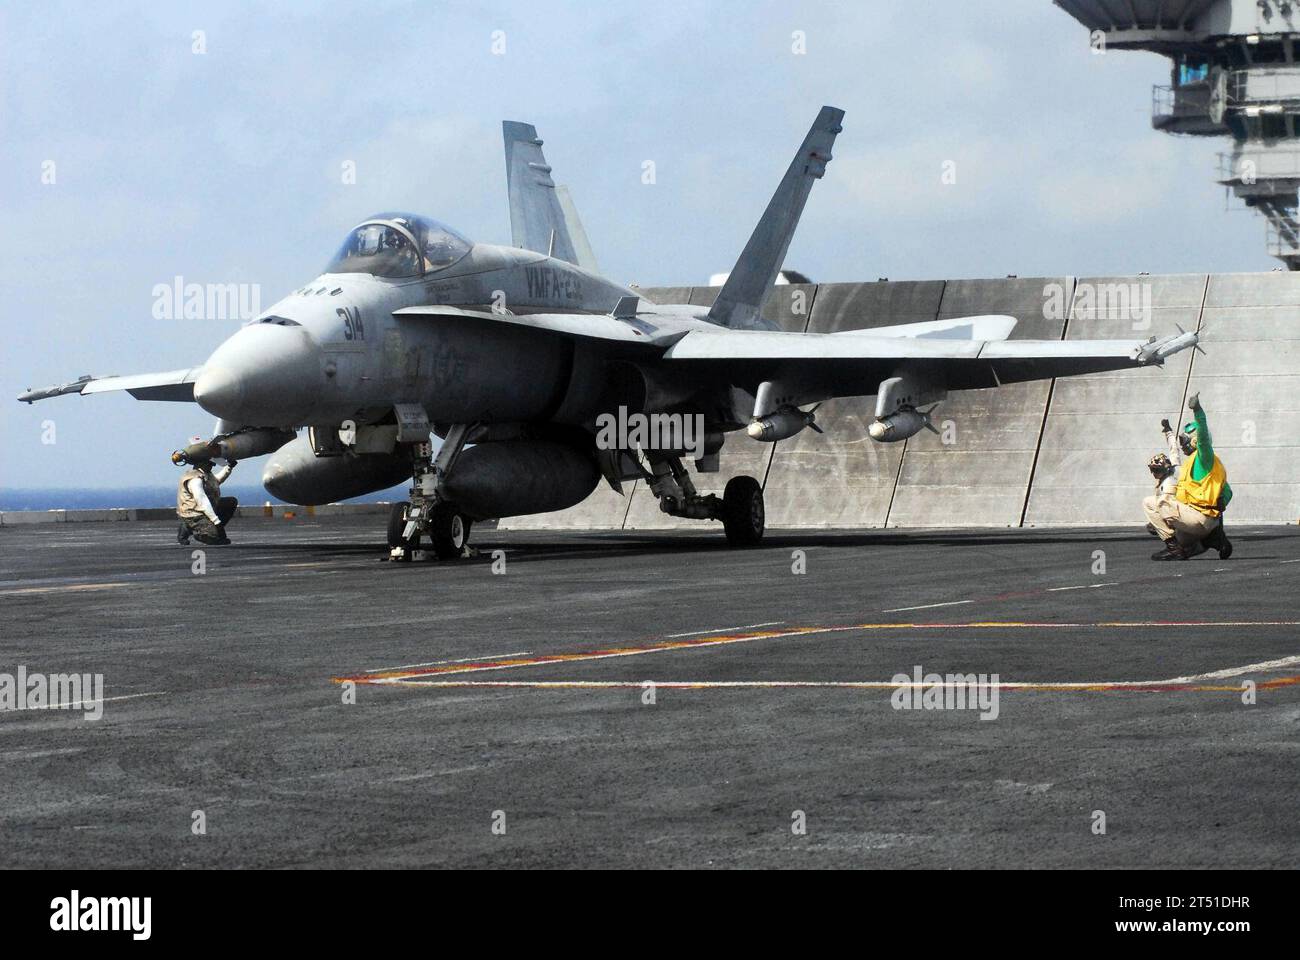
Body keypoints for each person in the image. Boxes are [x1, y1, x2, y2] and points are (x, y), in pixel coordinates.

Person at [1142, 394, 1233, 561]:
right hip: (1200, 519)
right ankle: (1210, 540)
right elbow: (1228, 490)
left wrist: (1197, 410)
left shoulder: (1204, 458)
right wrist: (1223, 500)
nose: (1182, 444)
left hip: (1199, 517)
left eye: (1185, 440)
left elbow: (1203, 437)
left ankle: (1174, 548)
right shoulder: (1196, 464)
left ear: (1194, 441)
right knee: (1184, 543)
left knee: (1156, 502)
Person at [173, 443, 239, 545]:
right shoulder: (195, 480)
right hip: (195, 514)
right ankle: (199, 532)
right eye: (210, 464)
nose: (212, 466)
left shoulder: (205, 474)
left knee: (231, 502)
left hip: (203, 510)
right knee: (212, 536)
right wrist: (216, 522)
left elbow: (216, 482)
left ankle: (188, 527)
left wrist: (229, 467)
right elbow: (202, 502)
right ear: (204, 463)